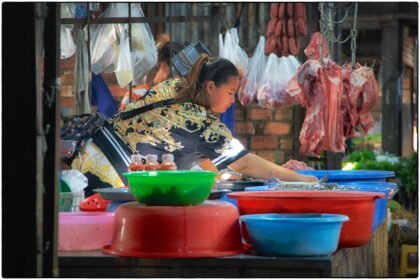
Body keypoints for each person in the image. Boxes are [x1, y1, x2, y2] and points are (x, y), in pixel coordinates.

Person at [112, 54, 318, 183]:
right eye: (230, 93)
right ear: (211, 87)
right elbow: (244, 162)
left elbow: (198, 152)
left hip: (95, 156)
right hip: (113, 179)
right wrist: (303, 180)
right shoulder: (200, 122)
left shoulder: (172, 87)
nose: (232, 100)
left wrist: (219, 175)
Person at [118, 41, 185, 111]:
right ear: (164, 66)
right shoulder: (134, 95)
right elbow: (120, 121)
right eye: (180, 73)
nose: (182, 78)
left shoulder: (179, 97)